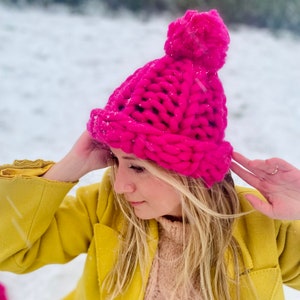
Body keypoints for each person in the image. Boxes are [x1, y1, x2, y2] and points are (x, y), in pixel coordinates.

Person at [0, 9, 299, 300]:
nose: (120, 184)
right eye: (116, 161)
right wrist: (69, 167)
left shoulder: (257, 220)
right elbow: (9, 248)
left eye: (138, 168)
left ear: (187, 170)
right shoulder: (105, 208)